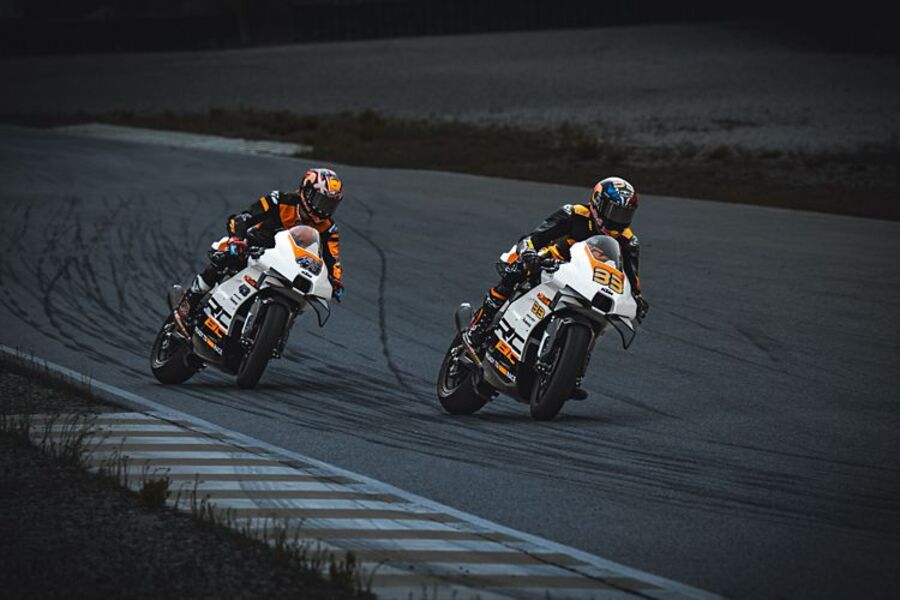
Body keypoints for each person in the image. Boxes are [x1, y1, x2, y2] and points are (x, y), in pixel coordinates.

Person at [465, 175, 650, 354]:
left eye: (625, 215)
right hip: (555, 262)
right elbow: (534, 238)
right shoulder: (574, 214)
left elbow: (631, 277)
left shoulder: (628, 241)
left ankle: (577, 365)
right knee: (518, 269)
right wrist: (529, 253)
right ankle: (480, 325)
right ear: (597, 203)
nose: (618, 221)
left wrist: (637, 298)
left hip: (591, 280)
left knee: (603, 317)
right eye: (614, 212)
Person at [174, 168, 345, 330]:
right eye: (321, 201)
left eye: (330, 205)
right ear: (306, 192)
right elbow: (243, 218)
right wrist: (237, 239)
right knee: (224, 255)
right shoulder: (279, 200)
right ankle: (189, 301)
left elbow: (333, 258)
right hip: (256, 248)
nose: (324, 209)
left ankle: (276, 334)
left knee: (303, 299)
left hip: (290, 266)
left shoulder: (328, 228)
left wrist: (336, 280)